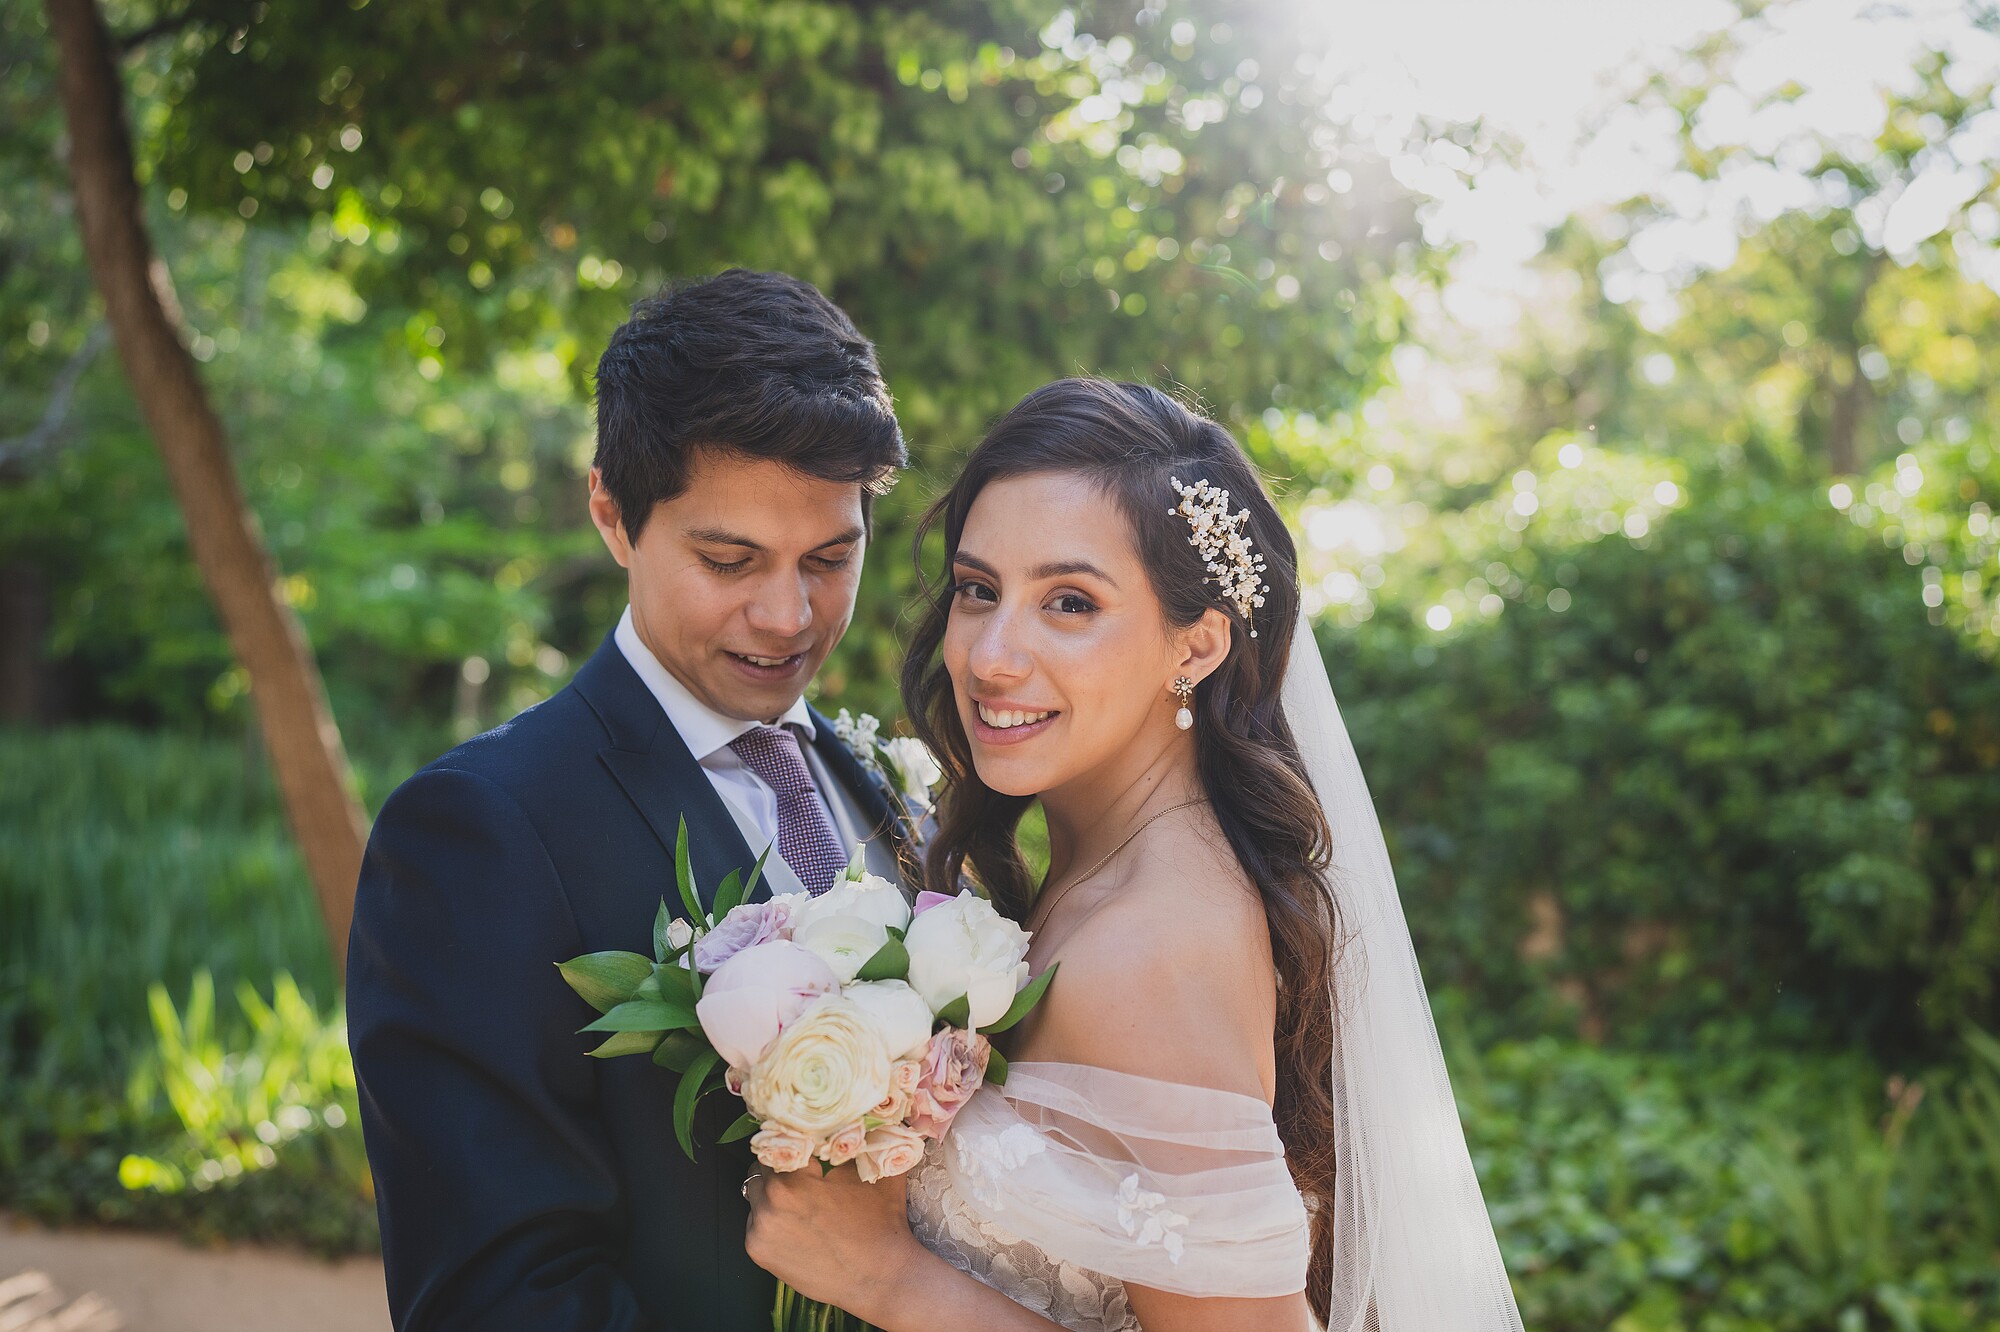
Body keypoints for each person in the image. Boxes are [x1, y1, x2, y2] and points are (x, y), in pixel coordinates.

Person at [741, 379, 1525, 1331]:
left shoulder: (1152, 943)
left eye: (1070, 603)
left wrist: (887, 1278)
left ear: (1193, 647)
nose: (992, 655)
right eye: (979, 590)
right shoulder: (1120, 864)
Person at [346, 269, 912, 1330]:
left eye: (830, 557)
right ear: (612, 514)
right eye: (728, 558)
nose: (788, 616)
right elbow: (495, 1298)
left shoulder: (887, 794)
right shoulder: (478, 833)